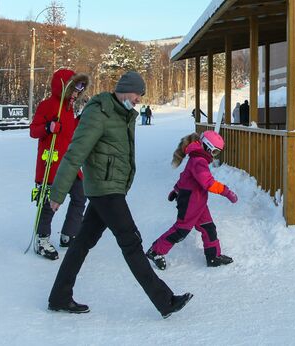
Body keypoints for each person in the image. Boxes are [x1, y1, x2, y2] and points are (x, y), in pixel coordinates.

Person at [46, 71, 192, 318]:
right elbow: (75, 153)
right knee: (131, 241)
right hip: (106, 191)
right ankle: (164, 301)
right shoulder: (99, 112)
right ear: (124, 89)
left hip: (111, 188)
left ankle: (59, 296)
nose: (138, 100)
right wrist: (58, 192)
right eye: (137, 94)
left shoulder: (123, 115)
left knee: (82, 242)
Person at [146, 130, 237, 270]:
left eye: (217, 153)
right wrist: (227, 192)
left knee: (208, 228)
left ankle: (213, 257)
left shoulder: (198, 158)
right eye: (214, 152)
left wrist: (176, 190)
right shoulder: (198, 161)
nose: (214, 156)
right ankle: (155, 251)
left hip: (198, 202)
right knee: (181, 230)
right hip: (190, 202)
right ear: (206, 146)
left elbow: (185, 177)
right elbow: (208, 183)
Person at [29, 68, 89, 260]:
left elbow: (69, 134)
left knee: (80, 196)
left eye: (78, 92)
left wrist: (81, 119)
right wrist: (48, 127)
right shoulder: (47, 105)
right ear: (64, 88)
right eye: (73, 90)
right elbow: (33, 130)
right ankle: (42, 239)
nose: (76, 95)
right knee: (50, 202)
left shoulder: (69, 110)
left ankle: (68, 234)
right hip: (51, 165)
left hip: (69, 164)